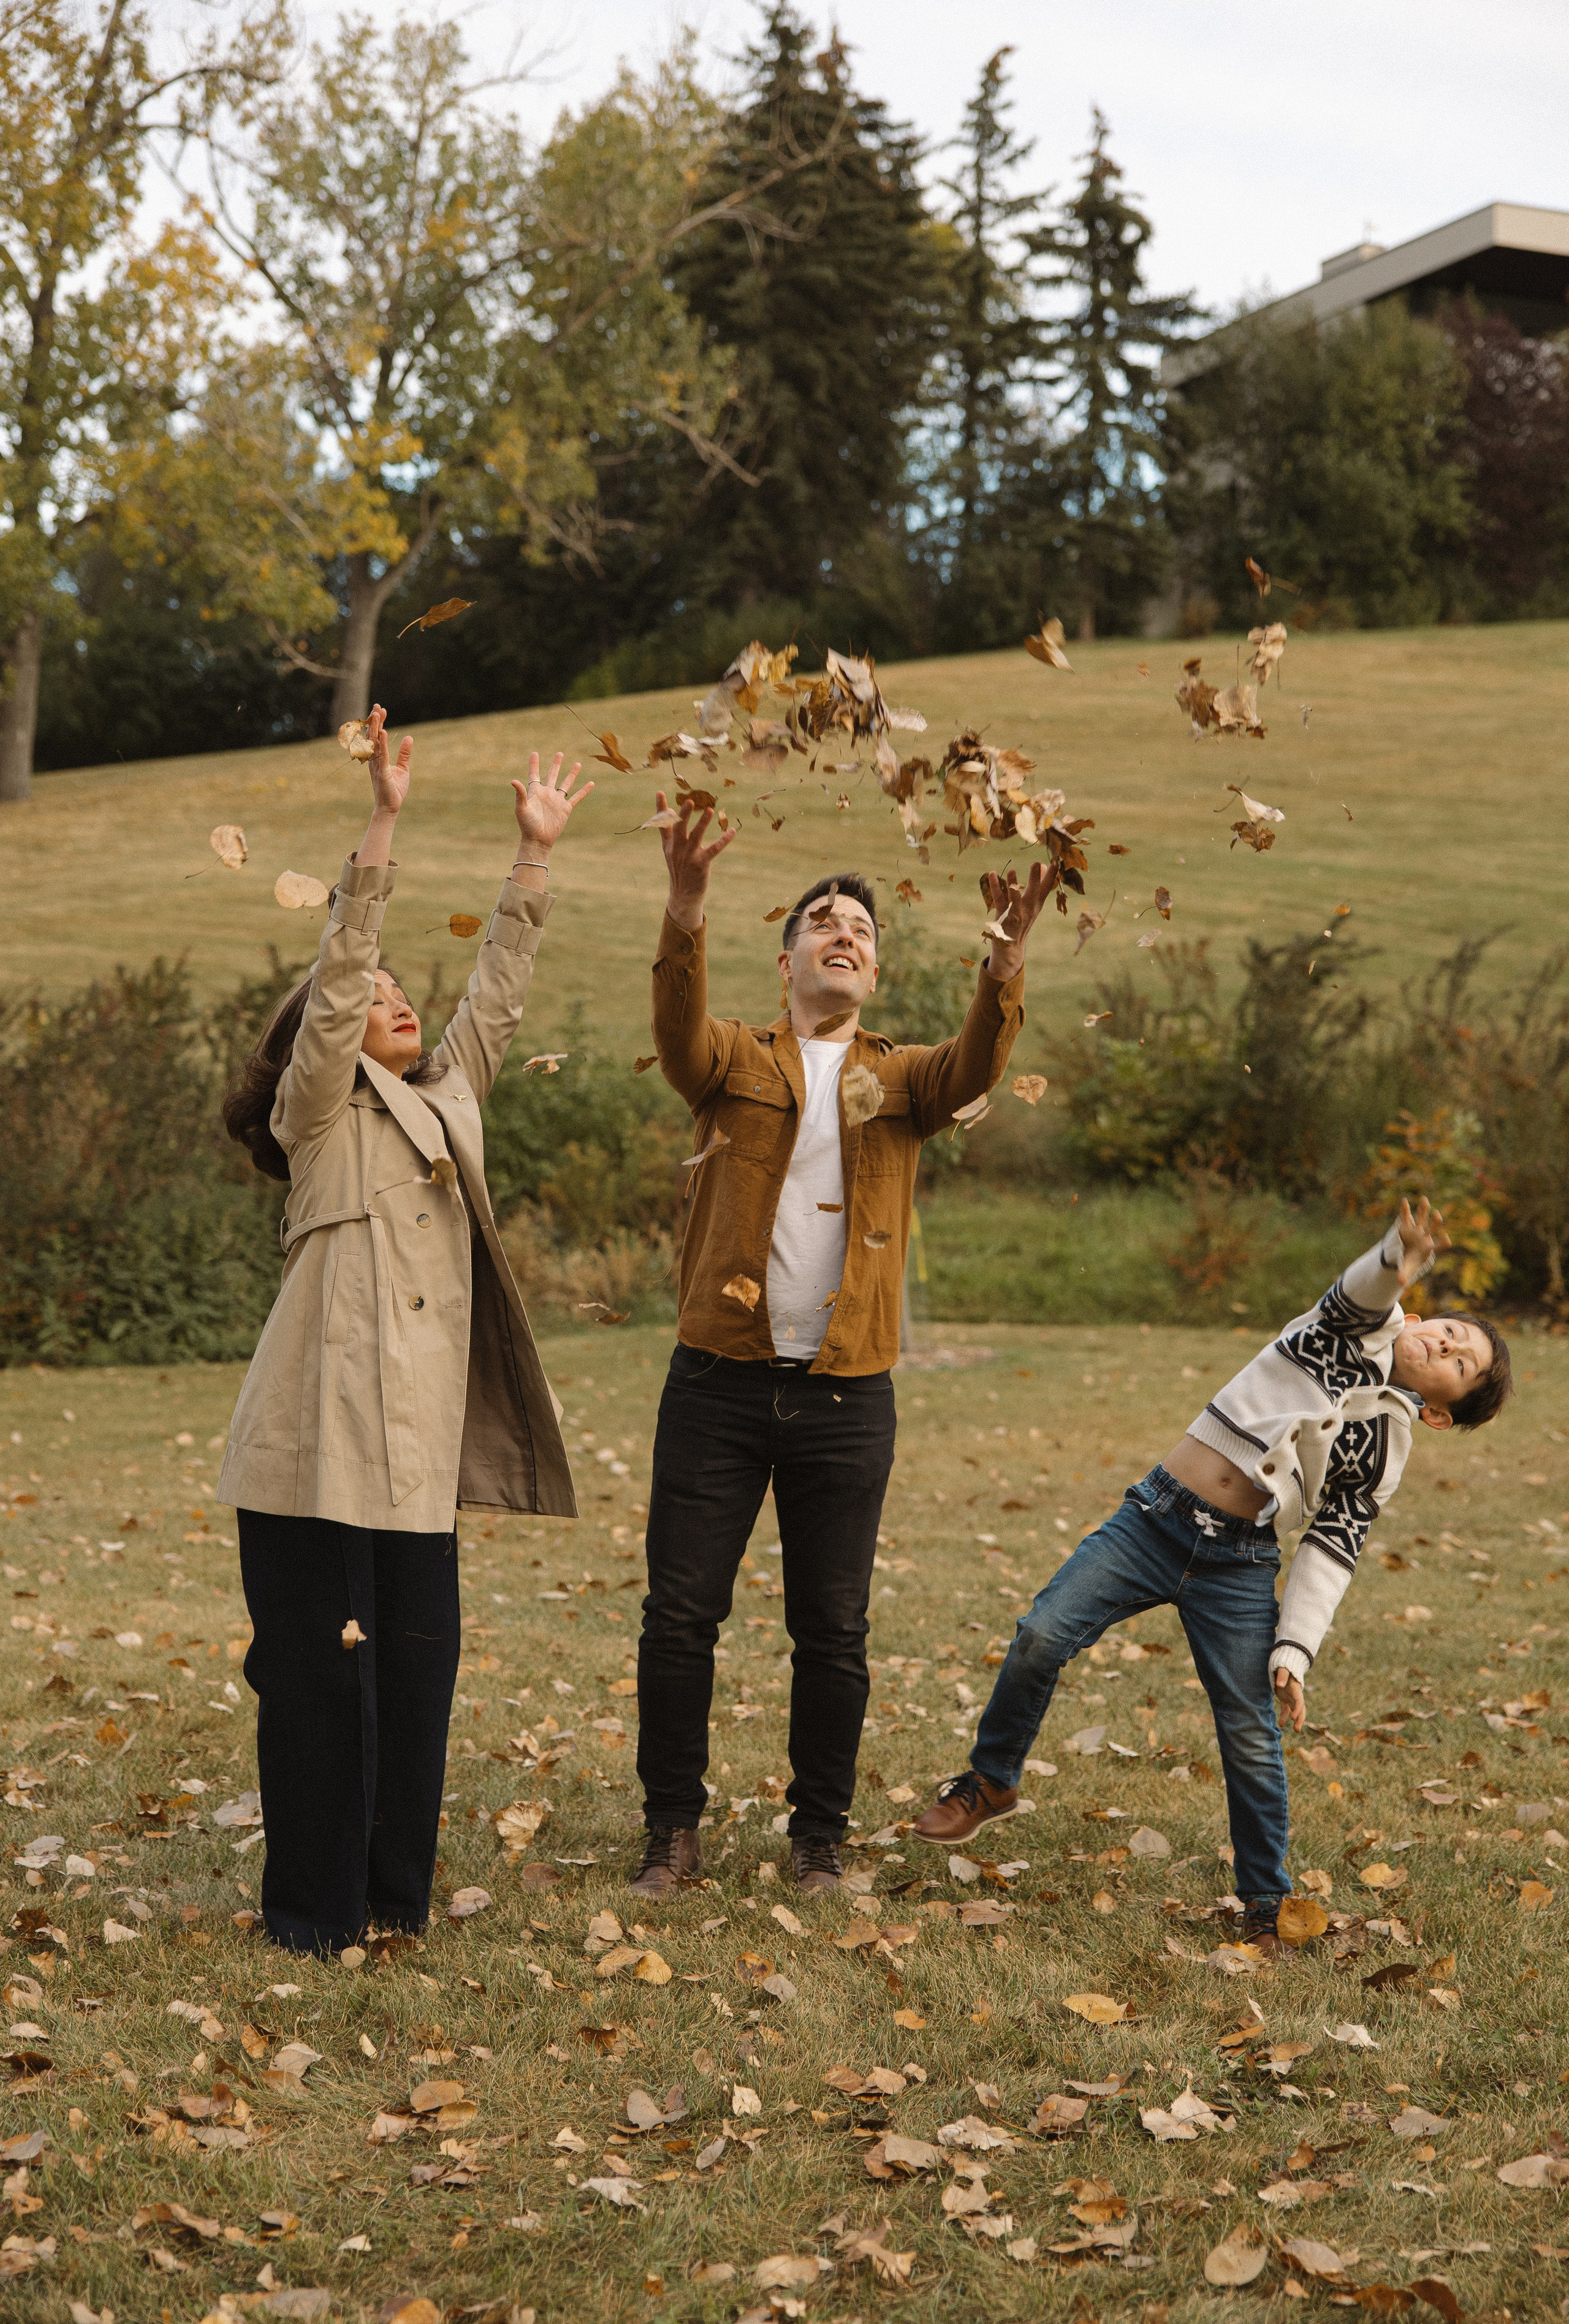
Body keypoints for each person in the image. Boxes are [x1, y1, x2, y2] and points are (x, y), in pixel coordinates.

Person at [630, 789, 1052, 1902]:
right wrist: (683, 909)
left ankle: (818, 1836)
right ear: (787, 961)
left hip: (844, 1395)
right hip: (716, 1382)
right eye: (822, 919)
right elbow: (674, 1035)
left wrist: (1002, 971)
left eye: (860, 928)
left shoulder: (900, 1076)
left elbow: (973, 1068)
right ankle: (670, 1830)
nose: (843, 931)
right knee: (681, 1617)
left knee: (834, 1629)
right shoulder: (730, 1060)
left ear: (872, 969)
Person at [218, 708, 591, 1953]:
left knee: (415, 1679)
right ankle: (307, 1919)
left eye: (397, 991)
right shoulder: (316, 1125)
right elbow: (331, 995)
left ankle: (390, 1903)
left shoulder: (449, 1105)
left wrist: (530, 856)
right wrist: (381, 824)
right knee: (322, 1689)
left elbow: (496, 992)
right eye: (373, 995)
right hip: (310, 1456)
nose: (394, 1000)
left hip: (414, 1462)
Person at [912, 1199, 1514, 1954]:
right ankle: (992, 1781)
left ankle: (1266, 1901)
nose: (1446, 1348)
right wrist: (1397, 1253)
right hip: (1153, 1522)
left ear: (1440, 1414)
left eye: (1462, 1367)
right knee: (1041, 1636)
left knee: (1250, 1731)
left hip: (1240, 1560)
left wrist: (1294, 1650)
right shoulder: (1346, 1329)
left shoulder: (1387, 1449)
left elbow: (1332, 1547)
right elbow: (1364, 1288)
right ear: (1421, 1315)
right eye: (1450, 1333)